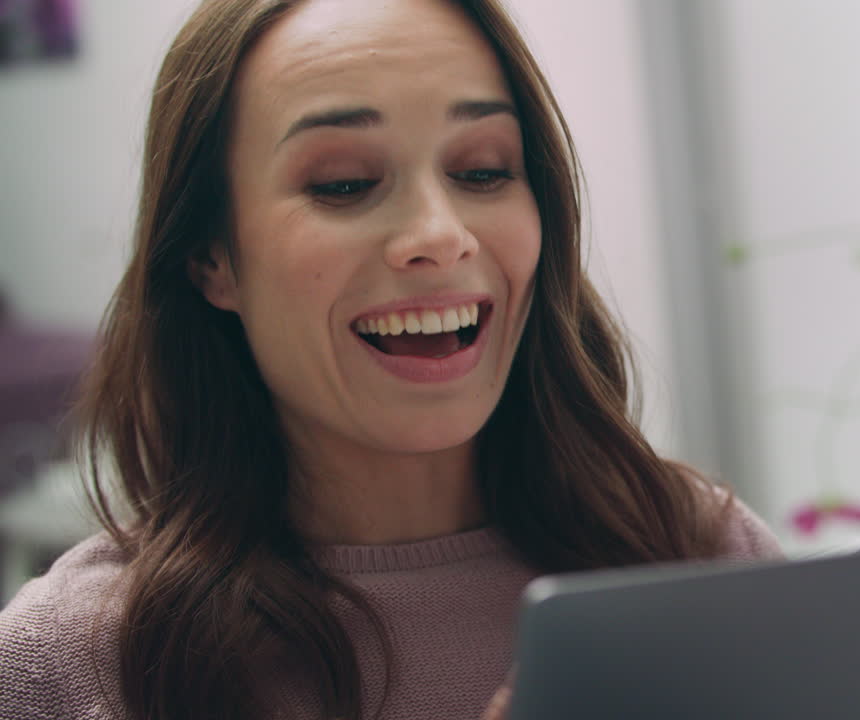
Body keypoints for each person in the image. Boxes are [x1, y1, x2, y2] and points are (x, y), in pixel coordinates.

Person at [0, 1, 783, 718]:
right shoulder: (65, 667)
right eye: (344, 183)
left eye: (482, 171)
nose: (441, 235)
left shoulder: (700, 553)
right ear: (212, 259)